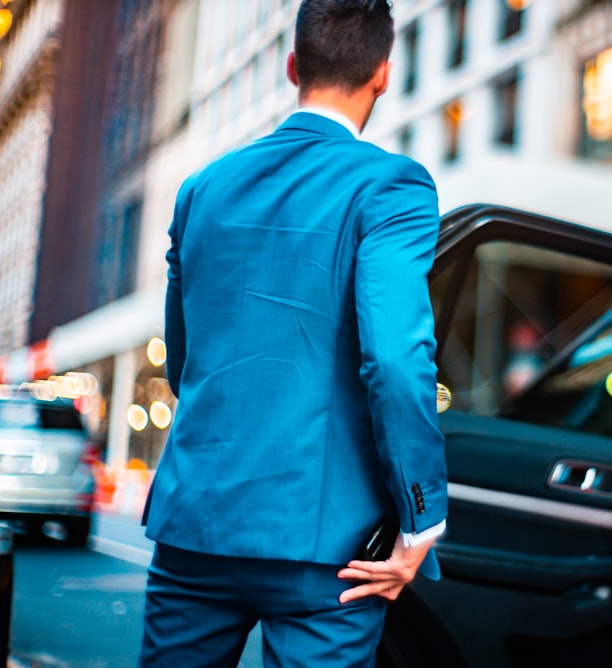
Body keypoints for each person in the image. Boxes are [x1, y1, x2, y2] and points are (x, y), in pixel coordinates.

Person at [139, 2, 448, 666]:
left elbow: (186, 358)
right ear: (383, 75)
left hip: (196, 521)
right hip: (326, 543)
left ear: (291, 67)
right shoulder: (392, 186)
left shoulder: (203, 189)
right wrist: (424, 519)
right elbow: (395, 360)